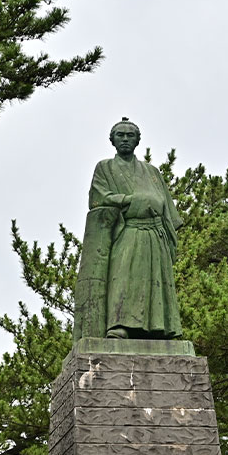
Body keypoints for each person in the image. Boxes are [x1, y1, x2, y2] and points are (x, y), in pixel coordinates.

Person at [73, 117, 183, 340]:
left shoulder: (151, 172)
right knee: (124, 277)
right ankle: (120, 325)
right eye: (120, 135)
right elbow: (98, 197)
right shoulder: (105, 167)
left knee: (156, 281)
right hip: (127, 231)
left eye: (129, 135)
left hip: (155, 234)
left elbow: (167, 208)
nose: (125, 139)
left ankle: (159, 328)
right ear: (112, 140)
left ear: (137, 141)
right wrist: (130, 200)